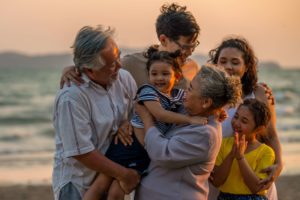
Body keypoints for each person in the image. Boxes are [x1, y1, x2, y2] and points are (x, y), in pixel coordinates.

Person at [83, 48, 207, 200]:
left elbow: (195, 100)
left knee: (117, 190)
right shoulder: (148, 92)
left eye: (165, 74)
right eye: (154, 74)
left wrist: (216, 111)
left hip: (145, 151)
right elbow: (159, 114)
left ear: (178, 76)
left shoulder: (178, 95)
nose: (159, 78)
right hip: (129, 144)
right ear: (148, 76)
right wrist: (190, 120)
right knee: (102, 183)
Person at [52, 25, 140, 200]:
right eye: (111, 64)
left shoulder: (124, 78)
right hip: (79, 184)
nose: (119, 65)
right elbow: (81, 151)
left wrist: (128, 124)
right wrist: (124, 174)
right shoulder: (72, 97)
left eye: (118, 56)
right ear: (89, 70)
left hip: (112, 179)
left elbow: (137, 114)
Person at [133, 64, 242, 200]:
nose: (185, 91)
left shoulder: (205, 133)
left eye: (190, 89)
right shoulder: (190, 112)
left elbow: (162, 153)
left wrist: (146, 119)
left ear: (206, 102)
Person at [60, 3, 201, 90]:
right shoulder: (132, 64)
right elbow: (99, 70)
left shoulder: (193, 68)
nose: (189, 52)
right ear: (163, 39)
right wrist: (72, 69)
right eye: (184, 47)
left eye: (193, 46)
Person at [208, 37, 283, 200]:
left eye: (235, 62)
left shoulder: (258, 92)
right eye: (223, 61)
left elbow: (270, 135)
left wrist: (278, 165)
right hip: (221, 179)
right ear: (216, 64)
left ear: (246, 66)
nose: (228, 66)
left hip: (254, 176)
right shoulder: (209, 96)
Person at [211, 99, 275, 200]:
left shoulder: (266, 152)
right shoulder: (223, 144)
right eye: (236, 117)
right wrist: (231, 155)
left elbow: (256, 187)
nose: (236, 123)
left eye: (244, 121)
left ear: (259, 129)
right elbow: (216, 182)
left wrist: (240, 158)